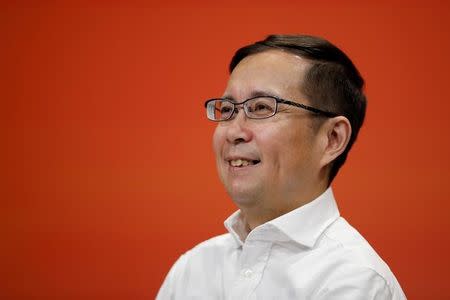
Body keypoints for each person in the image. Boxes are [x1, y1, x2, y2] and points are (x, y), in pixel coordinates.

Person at [157, 34, 406, 299]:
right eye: (228, 109)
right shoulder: (192, 270)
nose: (234, 132)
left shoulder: (355, 282)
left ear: (332, 139)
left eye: (262, 107)